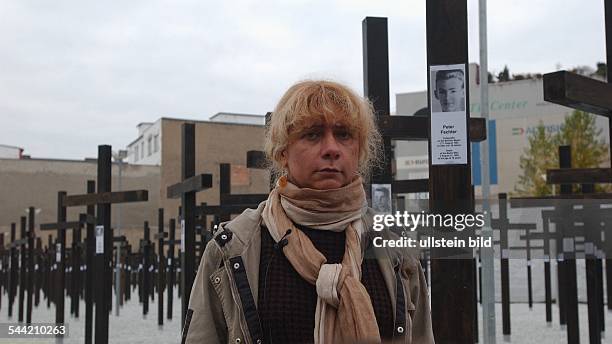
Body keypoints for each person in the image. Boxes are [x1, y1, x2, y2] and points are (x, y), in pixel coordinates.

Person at [182, 80, 434, 344]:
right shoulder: (234, 248)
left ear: (359, 150)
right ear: (282, 152)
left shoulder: (395, 251)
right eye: (312, 134)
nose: (332, 149)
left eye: (344, 134)